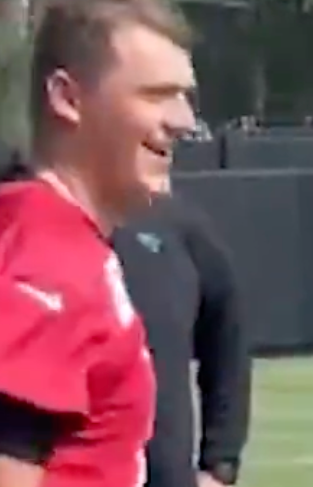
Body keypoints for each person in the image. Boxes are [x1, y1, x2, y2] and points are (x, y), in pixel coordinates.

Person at [0, 0, 198, 487]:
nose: (183, 121)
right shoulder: (43, 254)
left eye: (184, 97)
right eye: (156, 95)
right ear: (67, 98)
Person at [112, 181, 251, 487]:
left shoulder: (176, 224)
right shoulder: (18, 215)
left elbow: (228, 334)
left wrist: (221, 462)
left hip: (164, 473)